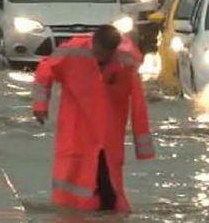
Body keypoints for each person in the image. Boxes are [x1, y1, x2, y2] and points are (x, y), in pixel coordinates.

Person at [32, 25, 155, 212]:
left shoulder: (126, 61)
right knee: (74, 174)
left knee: (108, 183)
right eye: (97, 53)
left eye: (104, 56)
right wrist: (40, 106)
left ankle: (99, 212)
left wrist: (143, 145)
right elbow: (45, 69)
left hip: (109, 133)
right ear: (93, 44)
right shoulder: (74, 50)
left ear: (113, 51)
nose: (99, 59)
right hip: (77, 127)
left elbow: (138, 102)